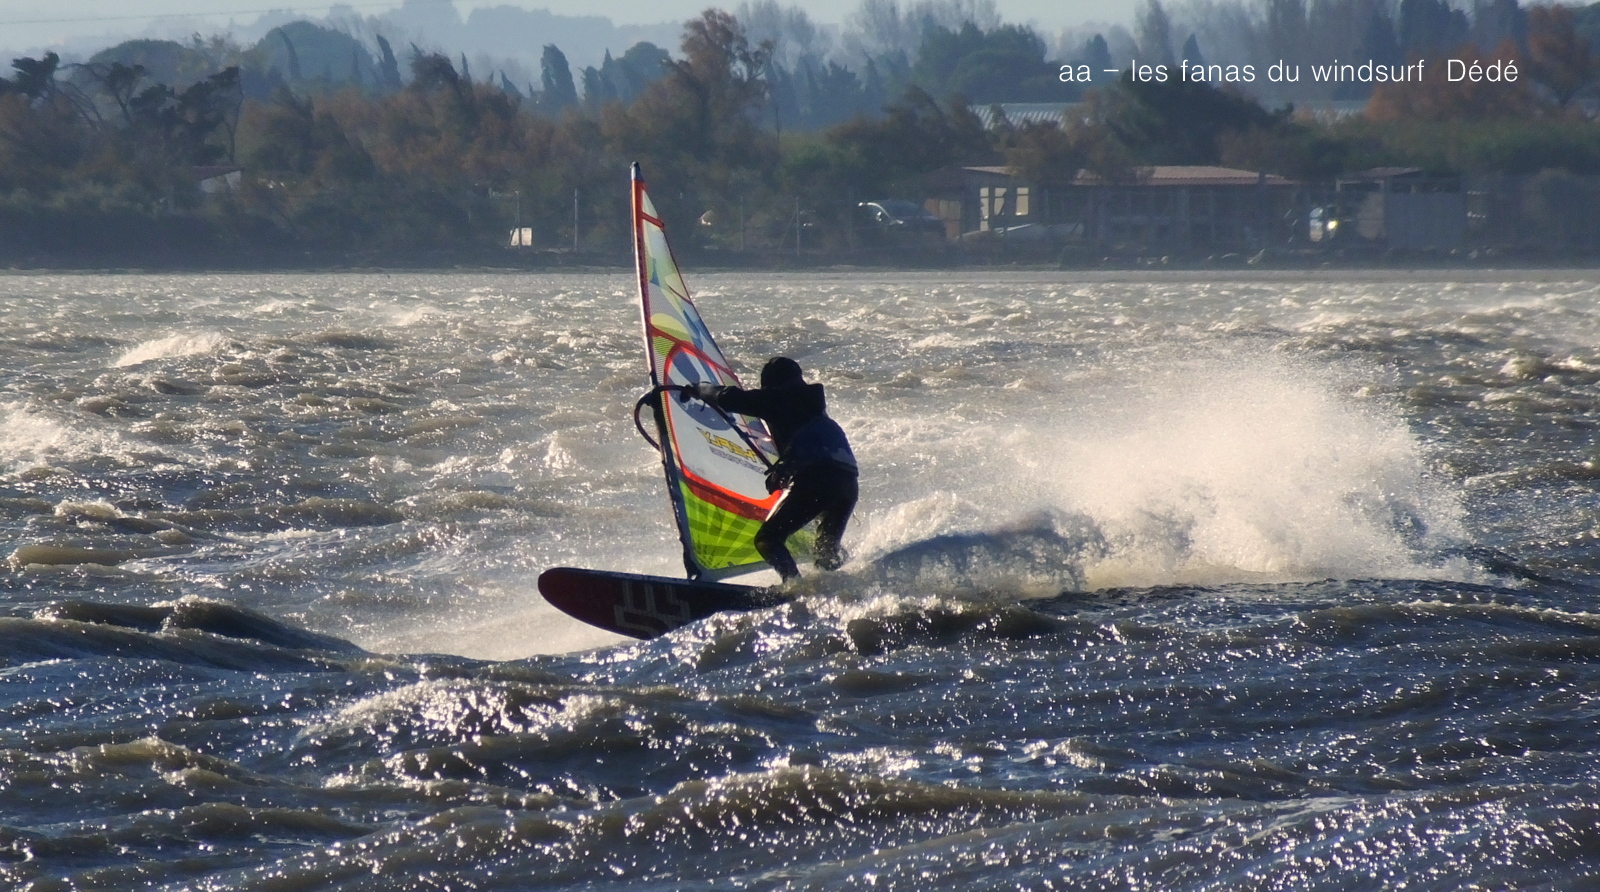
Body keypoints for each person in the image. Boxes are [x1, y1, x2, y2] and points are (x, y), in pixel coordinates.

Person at [688, 357, 857, 581]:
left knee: (767, 539)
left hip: (817, 479)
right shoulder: (814, 407)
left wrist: (698, 389)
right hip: (847, 485)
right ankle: (841, 589)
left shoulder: (778, 399)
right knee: (825, 553)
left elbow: (729, 398)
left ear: (770, 383)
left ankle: (795, 588)